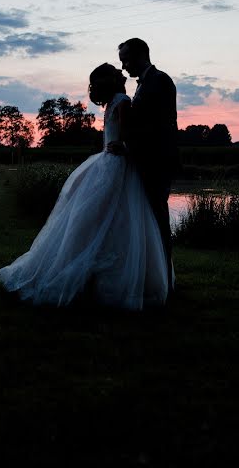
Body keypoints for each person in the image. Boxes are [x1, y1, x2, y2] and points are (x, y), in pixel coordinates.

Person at [0, 63, 172, 309]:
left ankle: (90, 275)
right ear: (112, 79)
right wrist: (130, 148)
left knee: (99, 220)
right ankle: (113, 279)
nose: (121, 71)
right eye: (116, 70)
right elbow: (127, 135)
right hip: (119, 163)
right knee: (120, 219)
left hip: (107, 161)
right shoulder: (122, 101)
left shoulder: (112, 102)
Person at [107, 38, 179, 297]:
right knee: (147, 222)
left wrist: (129, 148)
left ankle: (165, 283)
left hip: (156, 161)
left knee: (158, 220)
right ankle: (152, 279)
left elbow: (161, 127)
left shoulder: (160, 81)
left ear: (140, 55)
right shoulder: (142, 86)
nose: (124, 67)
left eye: (126, 60)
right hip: (142, 161)